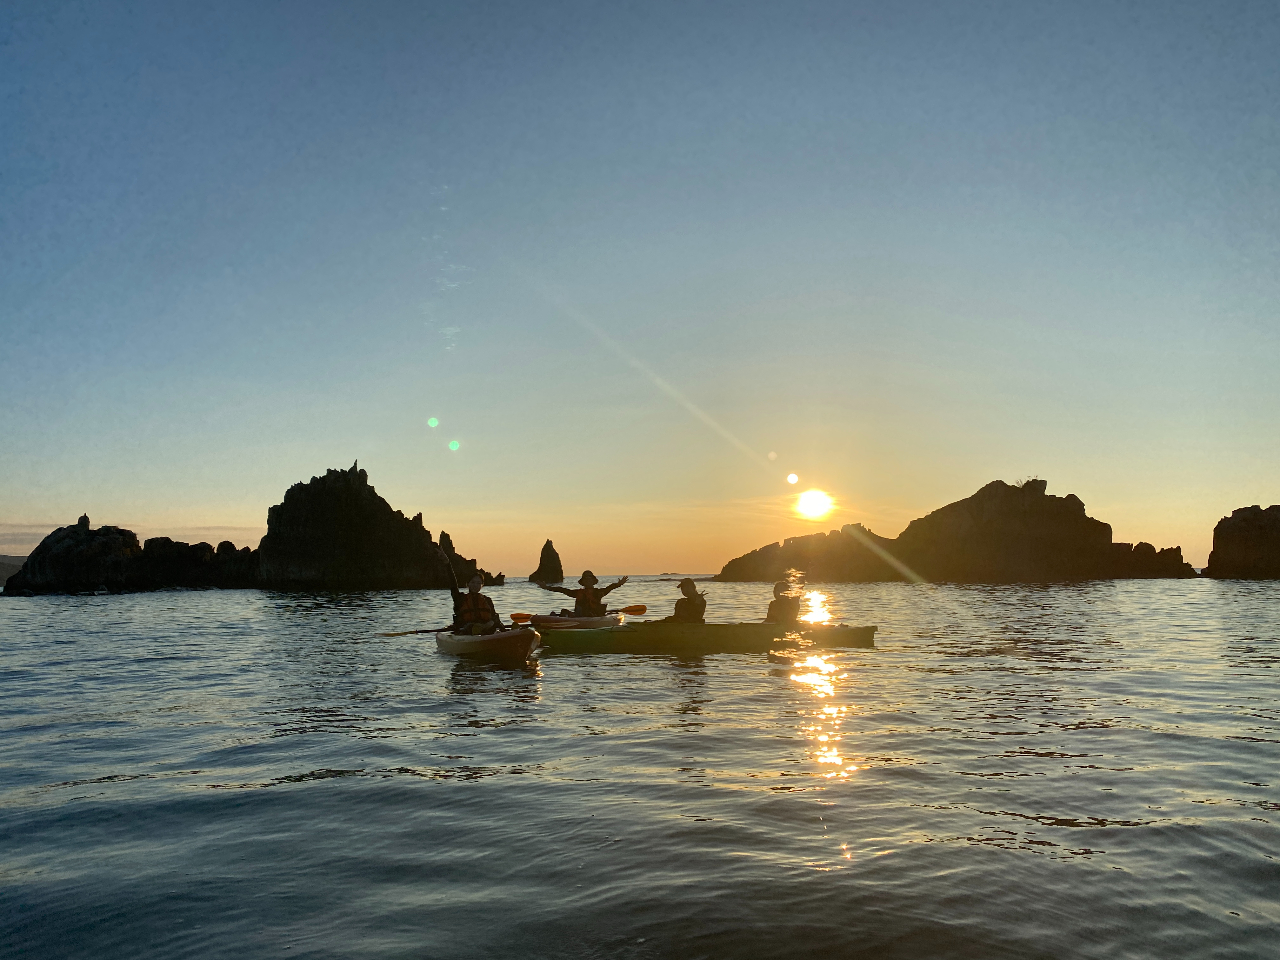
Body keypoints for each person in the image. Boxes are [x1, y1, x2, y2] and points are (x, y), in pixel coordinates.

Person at [536, 570, 629, 618]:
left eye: (590, 579)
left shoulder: (599, 592)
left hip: (593, 617)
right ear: (583, 582)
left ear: (593, 581)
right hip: (580, 617)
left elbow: (610, 587)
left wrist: (619, 584)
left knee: (590, 613)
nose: (588, 581)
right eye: (586, 579)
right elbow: (562, 590)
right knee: (563, 611)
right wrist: (547, 587)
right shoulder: (577, 593)